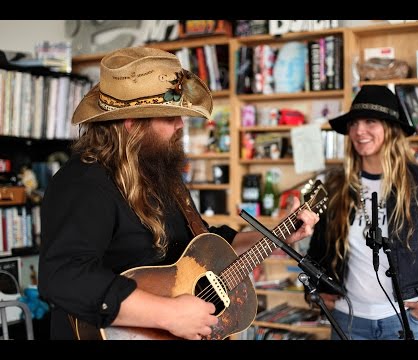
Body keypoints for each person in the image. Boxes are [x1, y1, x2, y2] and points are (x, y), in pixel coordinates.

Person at [38, 47, 320, 340]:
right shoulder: (84, 182)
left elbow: (205, 247)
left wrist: (278, 235)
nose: (180, 125)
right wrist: (168, 314)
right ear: (131, 123)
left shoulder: (160, 173)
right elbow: (63, 275)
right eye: (170, 116)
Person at [305, 85, 418, 340]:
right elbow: (317, 249)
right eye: (354, 123)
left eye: (370, 121)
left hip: (409, 321)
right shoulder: (337, 186)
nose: (359, 131)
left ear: (390, 129)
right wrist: (316, 290)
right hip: (349, 321)